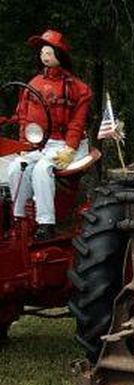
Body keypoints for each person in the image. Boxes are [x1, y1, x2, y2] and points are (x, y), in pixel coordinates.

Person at [8, 29, 92, 240]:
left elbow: (77, 123)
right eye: (42, 52)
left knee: (42, 169)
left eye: (49, 52)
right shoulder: (33, 84)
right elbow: (24, 116)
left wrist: (70, 148)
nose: (44, 56)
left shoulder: (78, 89)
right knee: (16, 167)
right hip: (40, 144)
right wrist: (23, 144)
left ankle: (46, 223)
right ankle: (19, 219)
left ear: (60, 55)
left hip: (64, 145)